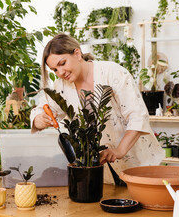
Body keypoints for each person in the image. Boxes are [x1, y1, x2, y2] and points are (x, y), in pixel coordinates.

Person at [30, 33, 163, 184]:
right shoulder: (61, 86)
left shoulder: (113, 73)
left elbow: (138, 116)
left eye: (62, 63)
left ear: (77, 53)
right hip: (101, 172)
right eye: (54, 70)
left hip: (138, 165)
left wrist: (119, 150)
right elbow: (40, 109)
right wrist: (39, 119)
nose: (60, 73)